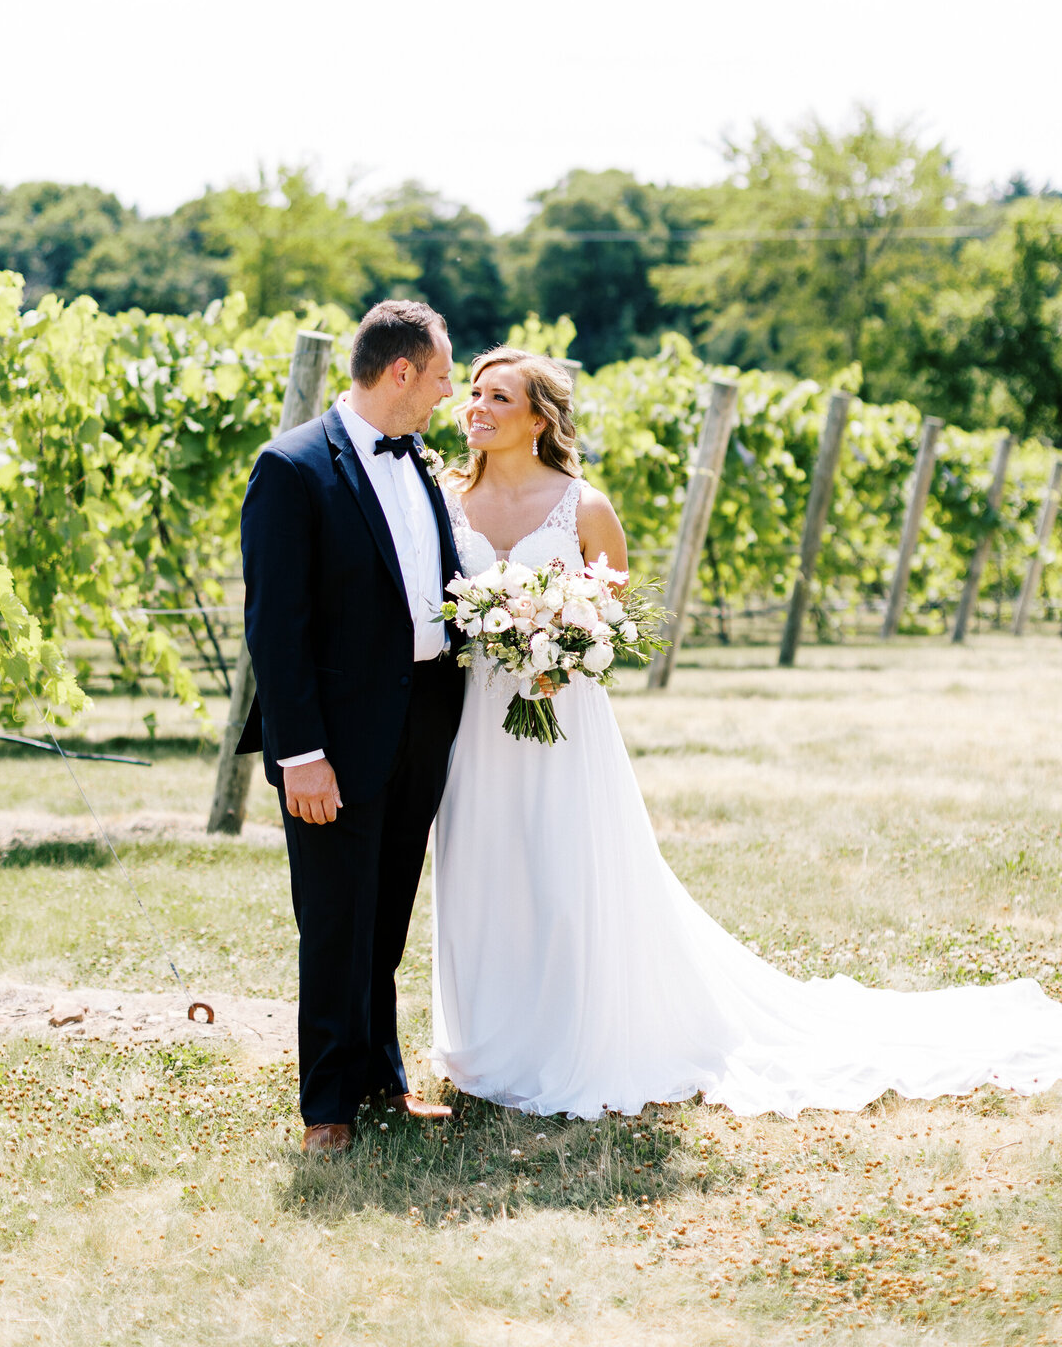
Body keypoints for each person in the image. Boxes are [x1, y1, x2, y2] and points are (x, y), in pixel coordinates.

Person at [431, 346, 1062, 1119]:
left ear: (537, 418)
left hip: (559, 718)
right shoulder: (446, 498)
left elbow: (614, 616)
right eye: (474, 393)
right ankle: (491, 1041)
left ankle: (568, 1038)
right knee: (483, 865)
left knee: (563, 873)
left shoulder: (583, 507)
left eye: (499, 396)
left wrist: (560, 651)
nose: (478, 407)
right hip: (472, 718)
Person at [238, 300, 465, 1153]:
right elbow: (277, 628)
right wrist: (302, 755)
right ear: (401, 372)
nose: (449, 392)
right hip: (332, 741)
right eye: (443, 375)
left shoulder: (421, 463)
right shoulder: (292, 467)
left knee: (387, 919)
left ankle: (383, 1078)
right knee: (336, 921)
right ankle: (327, 1108)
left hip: (422, 721)